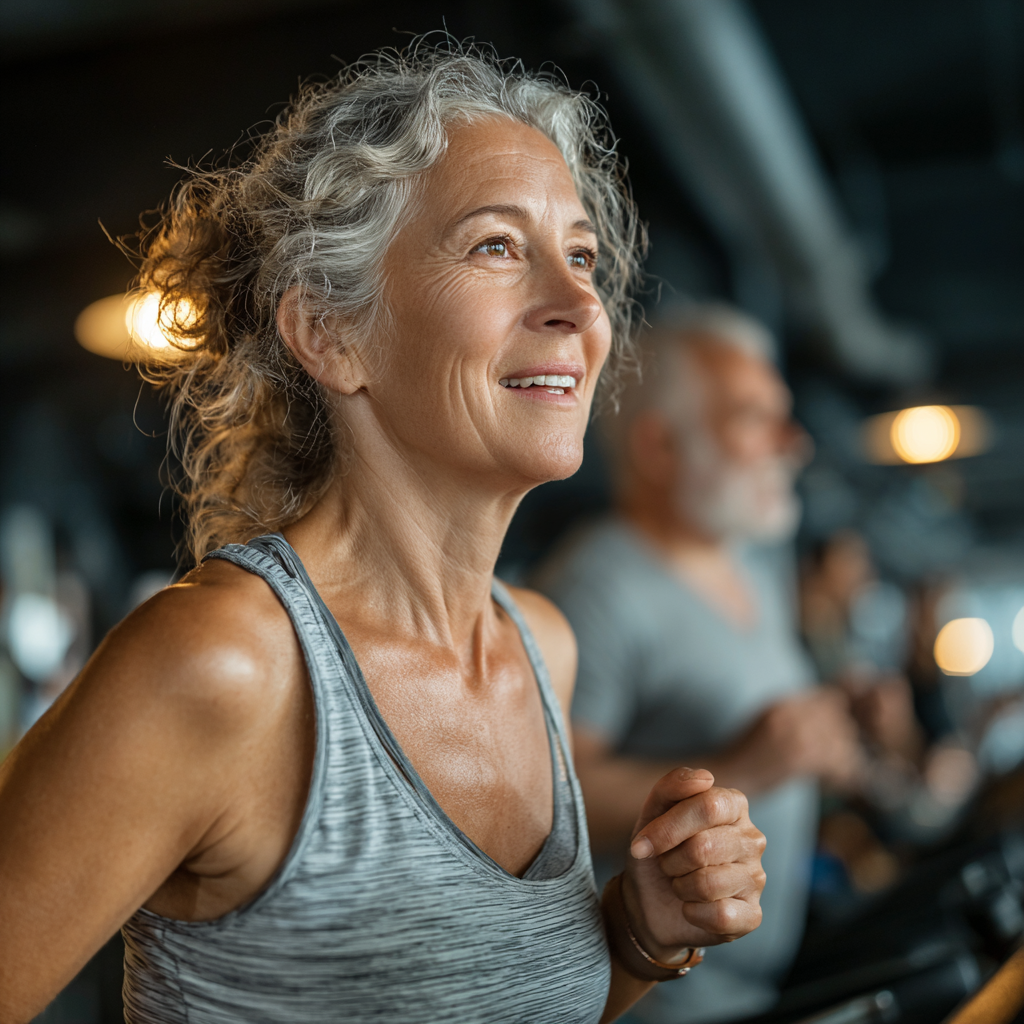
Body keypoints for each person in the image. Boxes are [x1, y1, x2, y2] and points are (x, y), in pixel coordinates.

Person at [0, 48, 767, 1024]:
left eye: (579, 255)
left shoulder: (543, 648)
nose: (580, 305)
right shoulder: (224, 667)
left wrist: (642, 934)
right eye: (496, 245)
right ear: (330, 333)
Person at [538, 306, 863, 1023]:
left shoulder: (753, 565)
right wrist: (748, 765)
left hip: (754, 984)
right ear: (660, 445)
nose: (793, 441)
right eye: (754, 416)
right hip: (658, 1002)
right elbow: (545, 803)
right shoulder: (598, 583)